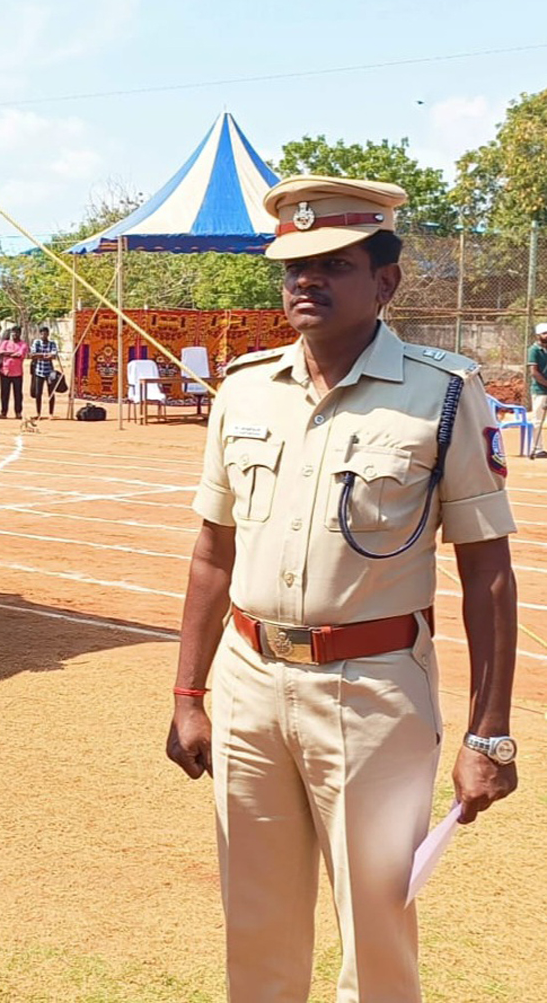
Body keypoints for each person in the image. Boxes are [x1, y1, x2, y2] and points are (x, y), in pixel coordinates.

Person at [165, 176, 518, 1003]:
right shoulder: (245, 387)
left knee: (377, 928)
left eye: (333, 264)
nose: (307, 281)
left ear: (385, 281)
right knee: (255, 925)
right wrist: (188, 694)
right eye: (295, 266)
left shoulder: (444, 394)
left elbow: (489, 571)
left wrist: (490, 735)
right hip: (250, 686)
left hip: (373, 693)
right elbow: (212, 554)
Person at [28, 324, 62, 417]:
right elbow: (33, 355)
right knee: (38, 393)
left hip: (49, 372)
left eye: (45, 334)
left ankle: (51, 413)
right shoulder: (37, 342)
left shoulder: (52, 343)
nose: (44, 335)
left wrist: (40, 355)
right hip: (39, 371)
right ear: (40, 334)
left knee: (51, 393)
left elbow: (53, 355)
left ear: (48, 334)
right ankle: (38, 413)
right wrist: (45, 355)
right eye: (42, 334)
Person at [0, 324, 28, 418]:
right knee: (4, 393)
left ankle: (18, 412)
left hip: (17, 373)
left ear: (19, 334)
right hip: (4, 371)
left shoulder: (23, 344)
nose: (14, 334)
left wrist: (7, 354)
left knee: (18, 394)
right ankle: (4, 412)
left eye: (16, 332)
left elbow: (19, 355)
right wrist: (12, 354)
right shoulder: (5, 343)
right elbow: (0, 352)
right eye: (13, 332)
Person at [527, 321, 547, 458]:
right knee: (538, 420)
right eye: (544, 333)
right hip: (540, 390)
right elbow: (534, 372)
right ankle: (538, 448)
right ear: (538, 335)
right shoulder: (534, 350)